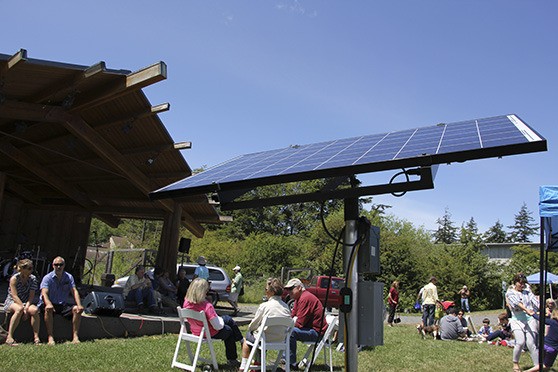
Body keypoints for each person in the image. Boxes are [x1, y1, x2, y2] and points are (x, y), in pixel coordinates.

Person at [183, 278, 243, 367]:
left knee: (228, 319)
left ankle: (241, 340)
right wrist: (220, 320)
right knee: (229, 330)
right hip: (209, 332)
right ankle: (233, 357)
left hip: (197, 331)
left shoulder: (186, 303)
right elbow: (217, 326)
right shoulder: (207, 306)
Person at [239, 277, 291, 371]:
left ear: (271, 292)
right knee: (260, 336)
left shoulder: (264, 306)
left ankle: (243, 366)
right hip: (281, 339)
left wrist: (251, 328)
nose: (265, 291)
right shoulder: (286, 307)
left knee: (248, 338)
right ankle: (258, 363)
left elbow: (252, 325)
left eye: (266, 289)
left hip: (264, 339)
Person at [38, 256, 83, 345]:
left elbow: (74, 291)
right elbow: (44, 293)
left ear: (64, 265)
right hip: (49, 303)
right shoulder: (48, 278)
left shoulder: (69, 277)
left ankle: (75, 336)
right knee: (48, 310)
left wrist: (79, 304)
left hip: (62, 305)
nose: (58, 267)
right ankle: (50, 337)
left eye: (60, 265)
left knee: (76, 310)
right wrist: (48, 304)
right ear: (53, 265)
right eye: (56, 265)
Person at [285, 278, 328, 371]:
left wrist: (287, 326)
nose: (289, 292)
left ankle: (290, 363)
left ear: (299, 288)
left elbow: (300, 323)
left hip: (317, 333)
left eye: (291, 289)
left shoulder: (305, 298)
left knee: (291, 332)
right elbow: (292, 316)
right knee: (288, 330)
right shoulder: (299, 298)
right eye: (288, 289)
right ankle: (286, 359)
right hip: (312, 330)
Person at [506, 273, 540, 372]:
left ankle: (537, 366)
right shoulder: (510, 292)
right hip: (517, 320)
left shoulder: (527, 291)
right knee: (520, 342)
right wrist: (526, 309)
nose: (522, 285)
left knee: (531, 343)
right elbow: (516, 303)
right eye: (520, 283)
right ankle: (515, 363)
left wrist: (540, 308)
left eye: (523, 283)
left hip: (530, 320)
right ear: (515, 283)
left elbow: (534, 301)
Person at [3, 259, 40, 345]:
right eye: (29, 268)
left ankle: (36, 337)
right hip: (12, 301)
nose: (31, 270)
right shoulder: (14, 279)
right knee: (19, 309)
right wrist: (23, 309)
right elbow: (14, 296)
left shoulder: (33, 279)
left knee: (34, 310)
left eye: (32, 268)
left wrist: (27, 307)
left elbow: (31, 296)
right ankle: (10, 336)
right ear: (23, 269)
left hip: (26, 301)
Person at [528, 307, 558, 371]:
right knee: (545, 365)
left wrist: (533, 314)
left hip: (544, 345)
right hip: (553, 348)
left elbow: (541, 319)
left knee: (542, 365)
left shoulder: (552, 322)